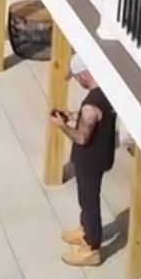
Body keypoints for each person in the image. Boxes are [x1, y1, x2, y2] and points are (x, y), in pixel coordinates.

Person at [49, 65, 116, 267]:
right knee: (86, 199)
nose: (77, 81)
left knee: (88, 202)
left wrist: (62, 126)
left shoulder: (90, 107)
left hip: (90, 160)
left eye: (77, 77)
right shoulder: (105, 93)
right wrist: (71, 115)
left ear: (85, 73)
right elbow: (95, 119)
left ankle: (91, 246)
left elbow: (81, 138)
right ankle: (85, 229)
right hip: (102, 156)